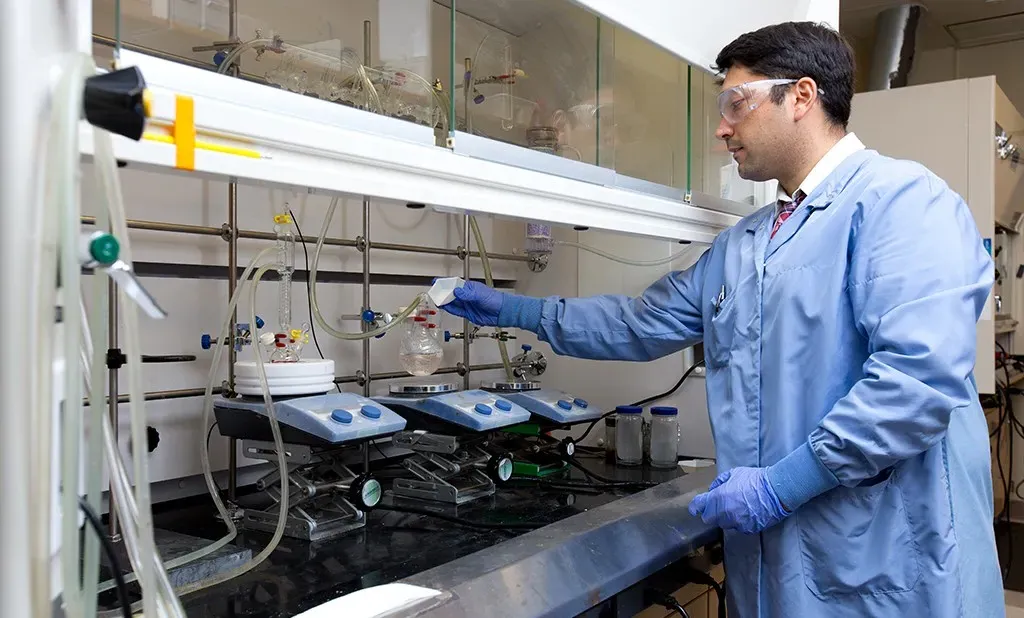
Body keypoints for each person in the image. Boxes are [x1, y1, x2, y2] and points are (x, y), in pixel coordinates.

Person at [439, 21, 1003, 618]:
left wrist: (781, 486)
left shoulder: (904, 203)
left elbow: (915, 384)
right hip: (776, 568)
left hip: (885, 562)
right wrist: (515, 309)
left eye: (737, 102)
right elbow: (638, 324)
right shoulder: (747, 245)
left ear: (802, 98)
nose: (721, 127)